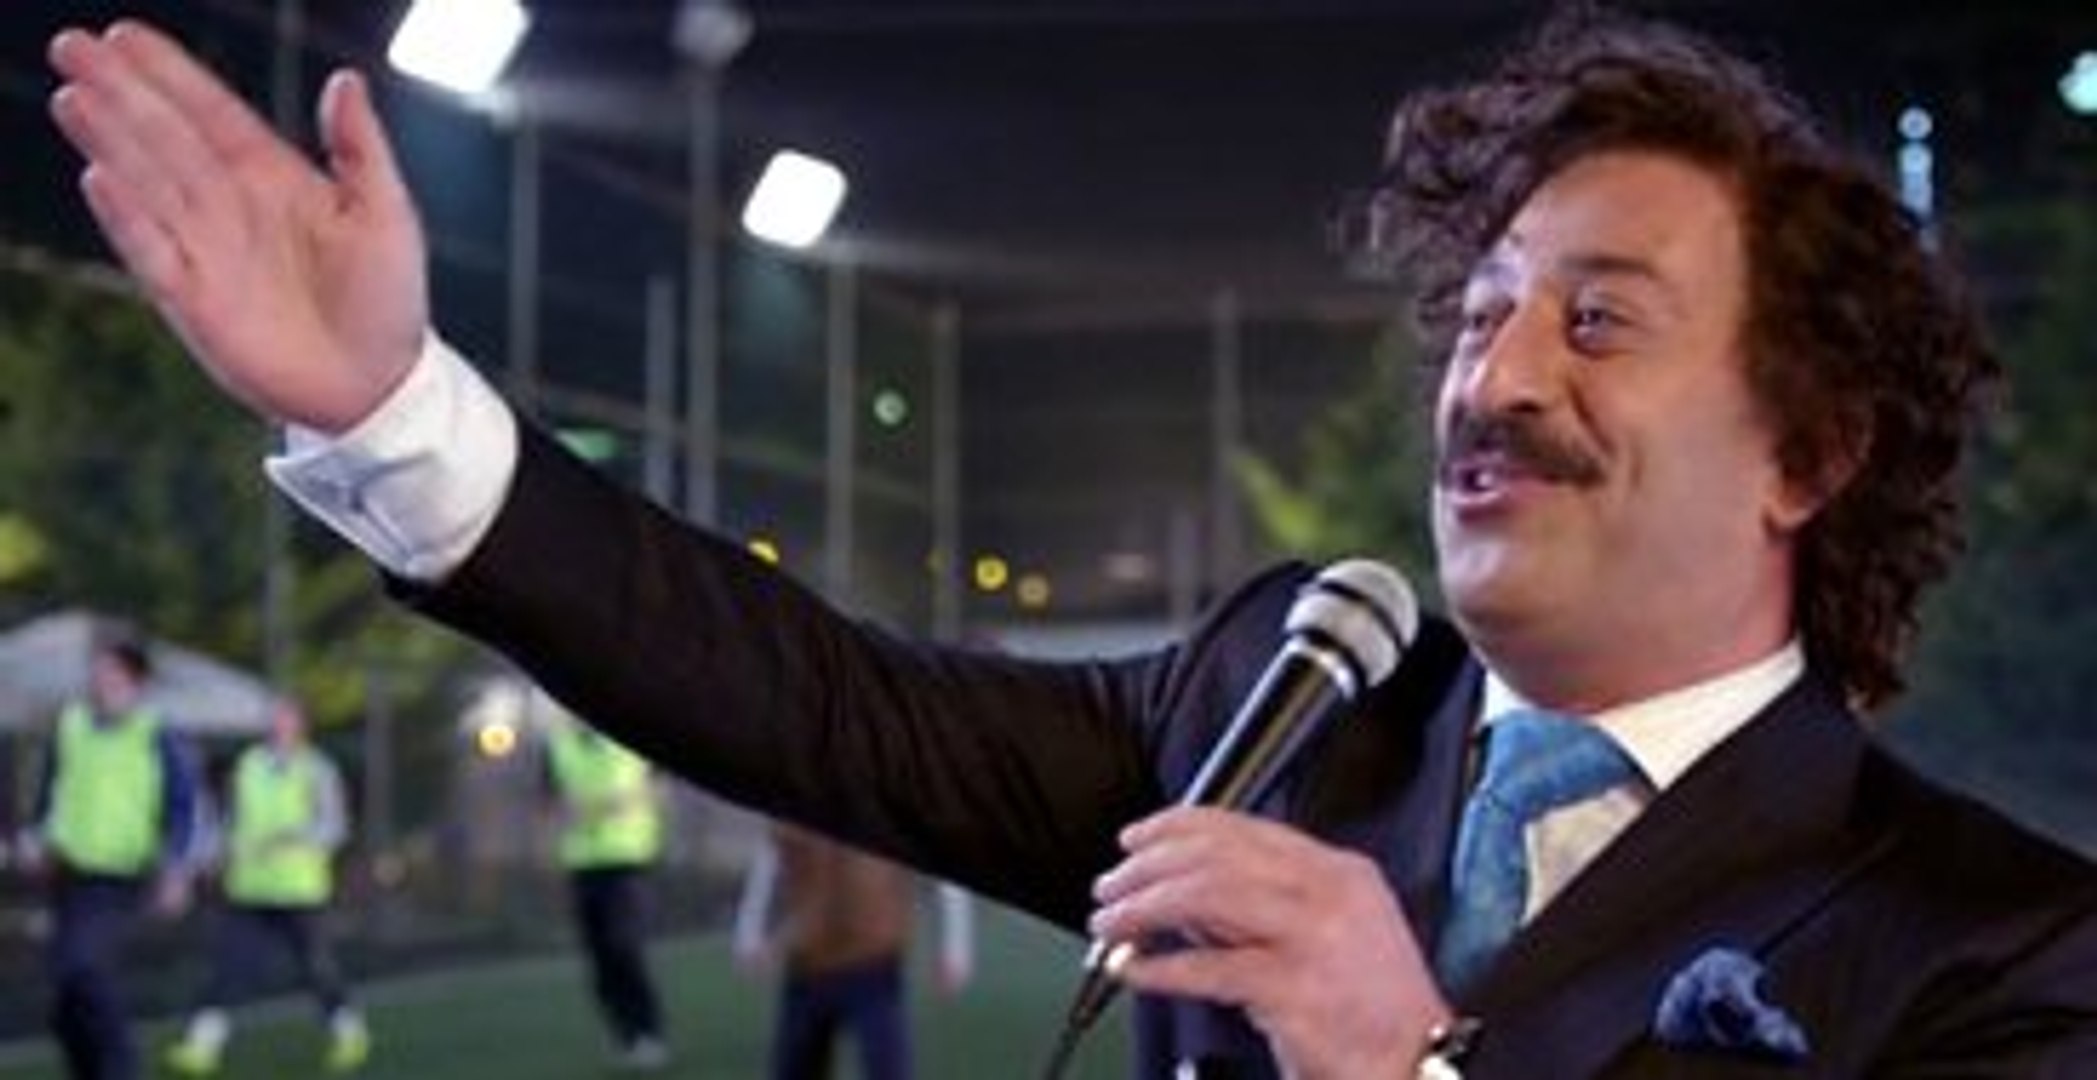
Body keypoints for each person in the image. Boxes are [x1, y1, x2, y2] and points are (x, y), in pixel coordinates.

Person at [45, 8, 2097, 1076]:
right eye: (1475, 315)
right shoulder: (1286, 702)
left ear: (1805, 453)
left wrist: (1404, 1067)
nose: (1493, 378)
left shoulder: (2002, 950)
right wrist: (392, 412)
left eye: (1597, 322)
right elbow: (822, 705)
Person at [19, 635, 198, 1080]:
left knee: (85, 970)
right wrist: (35, 840)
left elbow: (181, 807)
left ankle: (123, 1069)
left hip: (121, 878)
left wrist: (176, 869)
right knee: (65, 996)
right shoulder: (71, 725)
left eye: (111, 673)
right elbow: (48, 793)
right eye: (96, 673)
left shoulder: (156, 735)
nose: (99, 682)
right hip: (68, 876)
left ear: (135, 682)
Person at [164, 699, 371, 1075]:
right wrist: (209, 857)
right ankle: (201, 1046)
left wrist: (293, 839)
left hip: (299, 891)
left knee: (316, 969)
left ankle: (349, 1033)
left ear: (301, 725)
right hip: (249, 889)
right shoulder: (248, 765)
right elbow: (229, 822)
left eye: (286, 719)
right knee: (228, 968)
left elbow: (335, 827)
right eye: (274, 719)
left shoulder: (317, 769)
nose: (279, 726)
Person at [732, 821, 975, 1080]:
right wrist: (748, 935)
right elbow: (768, 861)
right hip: (807, 966)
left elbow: (943, 864)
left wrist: (956, 949)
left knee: (887, 1069)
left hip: (873, 965)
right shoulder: (796, 816)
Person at [540, 713, 673, 1071]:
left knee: (626, 948)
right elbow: (548, 805)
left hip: (630, 861)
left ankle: (650, 1032)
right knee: (600, 962)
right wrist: (565, 814)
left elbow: (662, 788)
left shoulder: (632, 736)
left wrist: (624, 801)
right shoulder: (557, 747)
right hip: (583, 866)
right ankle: (626, 1036)